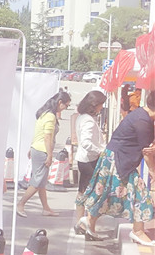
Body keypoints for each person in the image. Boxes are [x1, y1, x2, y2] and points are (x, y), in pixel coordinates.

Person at [77, 91, 155, 245]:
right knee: (140, 194)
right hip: (119, 160)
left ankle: (89, 221)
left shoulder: (140, 115)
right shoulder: (142, 120)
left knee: (106, 193)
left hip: (114, 158)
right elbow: (146, 152)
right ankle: (138, 231)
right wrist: (153, 172)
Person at [16, 91, 71, 217]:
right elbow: (47, 137)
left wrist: (32, 147)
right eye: (66, 105)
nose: (65, 108)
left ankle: (46, 208)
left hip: (37, 148)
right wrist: (50, 155)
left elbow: (38, 133)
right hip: (42, 151)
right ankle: (21, 204)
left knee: (41, 182)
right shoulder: (50, 116)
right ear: (60, 102)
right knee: (37, 181)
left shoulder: (44, 113)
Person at [72, 91, 107, 237]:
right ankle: (87, 224)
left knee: (83, 191)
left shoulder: (82, 117)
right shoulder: (88, 121)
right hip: (90, 160)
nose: (102, 107)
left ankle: (80, 223)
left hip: (84, 159)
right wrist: (101, 151)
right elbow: (86, 143)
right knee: (95, 193)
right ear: (94, 105)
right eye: (101, 104)